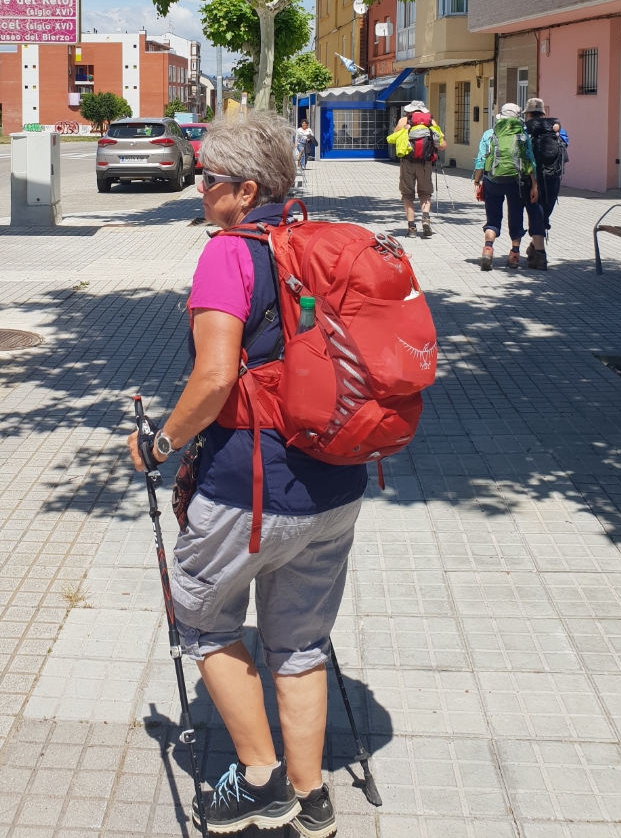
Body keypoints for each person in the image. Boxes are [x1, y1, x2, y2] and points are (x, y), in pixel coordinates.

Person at [128, 113, 366, 837]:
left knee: (201, 618)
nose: (199, 188)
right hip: (336, 484)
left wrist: (160, 443)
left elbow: (213, 377)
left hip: (251, 490)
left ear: (246, 189)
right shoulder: (319, 243)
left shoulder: (229, 254)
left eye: (209, 178)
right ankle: (311, 792)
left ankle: (261, 778)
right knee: (298, 642)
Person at [473, 101, 547, 269]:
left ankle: (487, 251)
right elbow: (530, 161)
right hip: (517, 183)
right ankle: (514, 255)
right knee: (516, 217)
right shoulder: (522, 134)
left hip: (492, 181)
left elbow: (480, 160)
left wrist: (477, 181)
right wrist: (534, 185)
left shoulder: (489, 134)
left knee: (493, 218)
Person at [386, 99, 446, 237]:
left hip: (407, 162)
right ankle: (425, 217)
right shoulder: (431, 122)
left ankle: (412, 228)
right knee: (425, 192)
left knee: (407, 194)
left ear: (410, 110)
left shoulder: (403, 121)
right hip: (425, 163)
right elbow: (442, 144)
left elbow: (393, 139)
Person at [524, 97, 569, 240]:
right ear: (542, 114)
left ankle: (537, 248)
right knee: (546, 210)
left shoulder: (525, 131)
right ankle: (538, 243)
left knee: (535, 211)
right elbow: (565, 144)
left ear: (528, 114)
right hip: (553, 176)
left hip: (532, 178)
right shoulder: (558, 131)